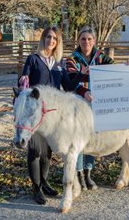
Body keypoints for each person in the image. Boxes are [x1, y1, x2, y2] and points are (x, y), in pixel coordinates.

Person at [18, 26, 87, 205]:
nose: (51, 41)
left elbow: (69, 86)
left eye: (55, 39)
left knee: (47, 152)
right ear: (43, 39)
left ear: (58, 42)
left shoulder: (58, 63)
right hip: (35, 114)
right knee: (34, 151)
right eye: (48, 37)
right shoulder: (33, 59)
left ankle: (45, 182)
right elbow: (24, 78)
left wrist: (81, 74)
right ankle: (37, 188)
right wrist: (23, 79)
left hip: (52, 116)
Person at [66, 26, 115, 191]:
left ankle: (88, 173)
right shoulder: (72, 59)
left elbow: (116, 70)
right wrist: (84, 91)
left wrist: (127, 66)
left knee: (92, 138)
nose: (86, 42)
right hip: (79, 102)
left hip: (96, 102)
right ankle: (78, 174)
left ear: (94, 41)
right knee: (79, 139)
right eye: (83, 39)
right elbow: (72, 79)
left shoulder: (101, 57)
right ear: (78, 41)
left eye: (89, 39)